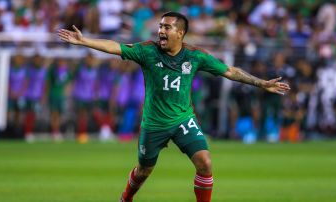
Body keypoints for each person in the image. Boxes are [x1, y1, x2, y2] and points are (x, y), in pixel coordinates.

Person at [58, 11, 290, 202]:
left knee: (205, 163)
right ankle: (125, 198)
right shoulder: (147, 51)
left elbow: (230, 71)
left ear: (180, 33)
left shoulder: (195, 56)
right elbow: (116, 47)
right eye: (160, 26)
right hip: (154, 124)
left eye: (167, 27)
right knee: (143, 171)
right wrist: (84, 40)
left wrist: (261, 83)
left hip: (182, 120)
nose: (161, 31)